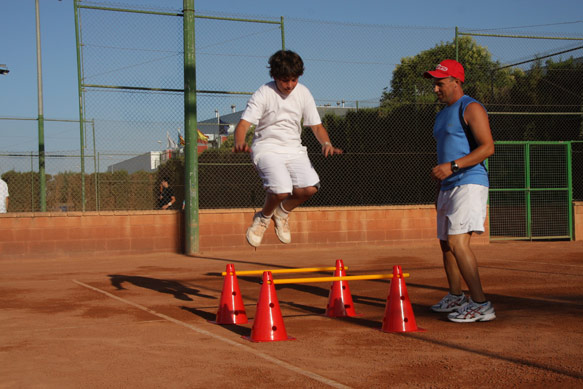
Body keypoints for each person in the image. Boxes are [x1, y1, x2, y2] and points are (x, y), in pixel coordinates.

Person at [234, 50, 342, 247]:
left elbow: (316, 126)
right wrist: (239, 141)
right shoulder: (264, 93)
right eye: (285, 80)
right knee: (281, 189)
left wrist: (326, 143)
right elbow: (243, 124)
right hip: (267, 149)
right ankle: (263, 218)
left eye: (294, 80)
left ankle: (281, 213)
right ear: (274, 76)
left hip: (294, 149)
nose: (290, 85)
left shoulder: (303, 92)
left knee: (310, 188)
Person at [423, 59, 496, 323]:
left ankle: (481, 304)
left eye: (440, 83)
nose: (436, 89)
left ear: (456, 81)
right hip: (448, 185)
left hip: (470, 181)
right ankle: (456, 296)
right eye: (435, 84)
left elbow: (488, 147)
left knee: (457, 242)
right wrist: (440, 185)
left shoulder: (471, 106)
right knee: (446, 244)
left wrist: (452, 167)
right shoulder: (442, 114)